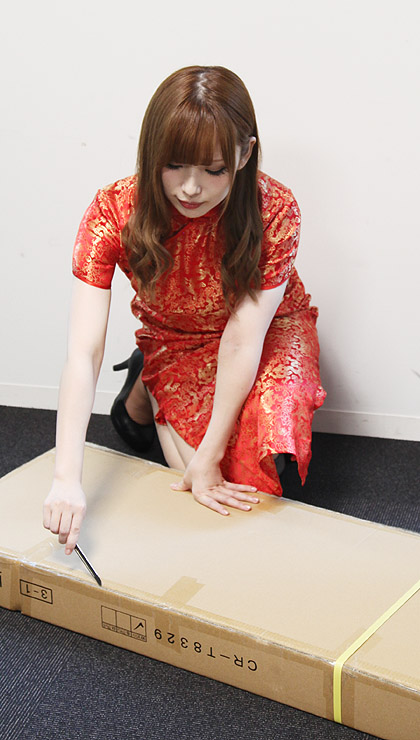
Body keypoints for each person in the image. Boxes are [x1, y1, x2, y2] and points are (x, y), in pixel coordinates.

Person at [43, 65, 326, 555]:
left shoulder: (275, 208)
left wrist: (211, 454)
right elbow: (83, 352)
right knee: (211, 485)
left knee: (253, 469)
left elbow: (243, 337)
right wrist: (66, 479)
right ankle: (148, 374)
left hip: (266, 330)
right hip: (177, 334)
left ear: (245, 155)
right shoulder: (114, 211)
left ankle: (153, 386)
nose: (191, 188)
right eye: (174, 165)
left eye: (213, 170)